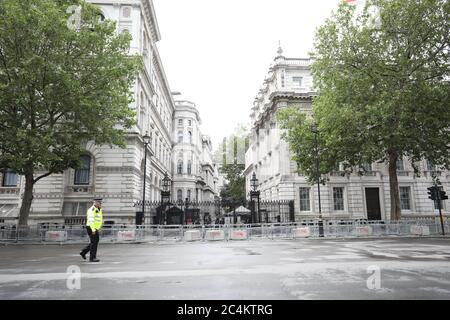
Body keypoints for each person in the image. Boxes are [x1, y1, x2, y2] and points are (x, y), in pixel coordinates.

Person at [80, 198, 103, 262]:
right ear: (95, 203)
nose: (100, 204)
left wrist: (99, 228)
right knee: (94, 243)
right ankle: (92, 258)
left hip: (95, 228)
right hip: (91, 227)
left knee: (94, 242)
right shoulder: (92, 210)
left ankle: (83, 252)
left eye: (101, 202)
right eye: (99, 202)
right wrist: (93, 230)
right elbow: (91, 220)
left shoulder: (98, 209)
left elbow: (99, 220)